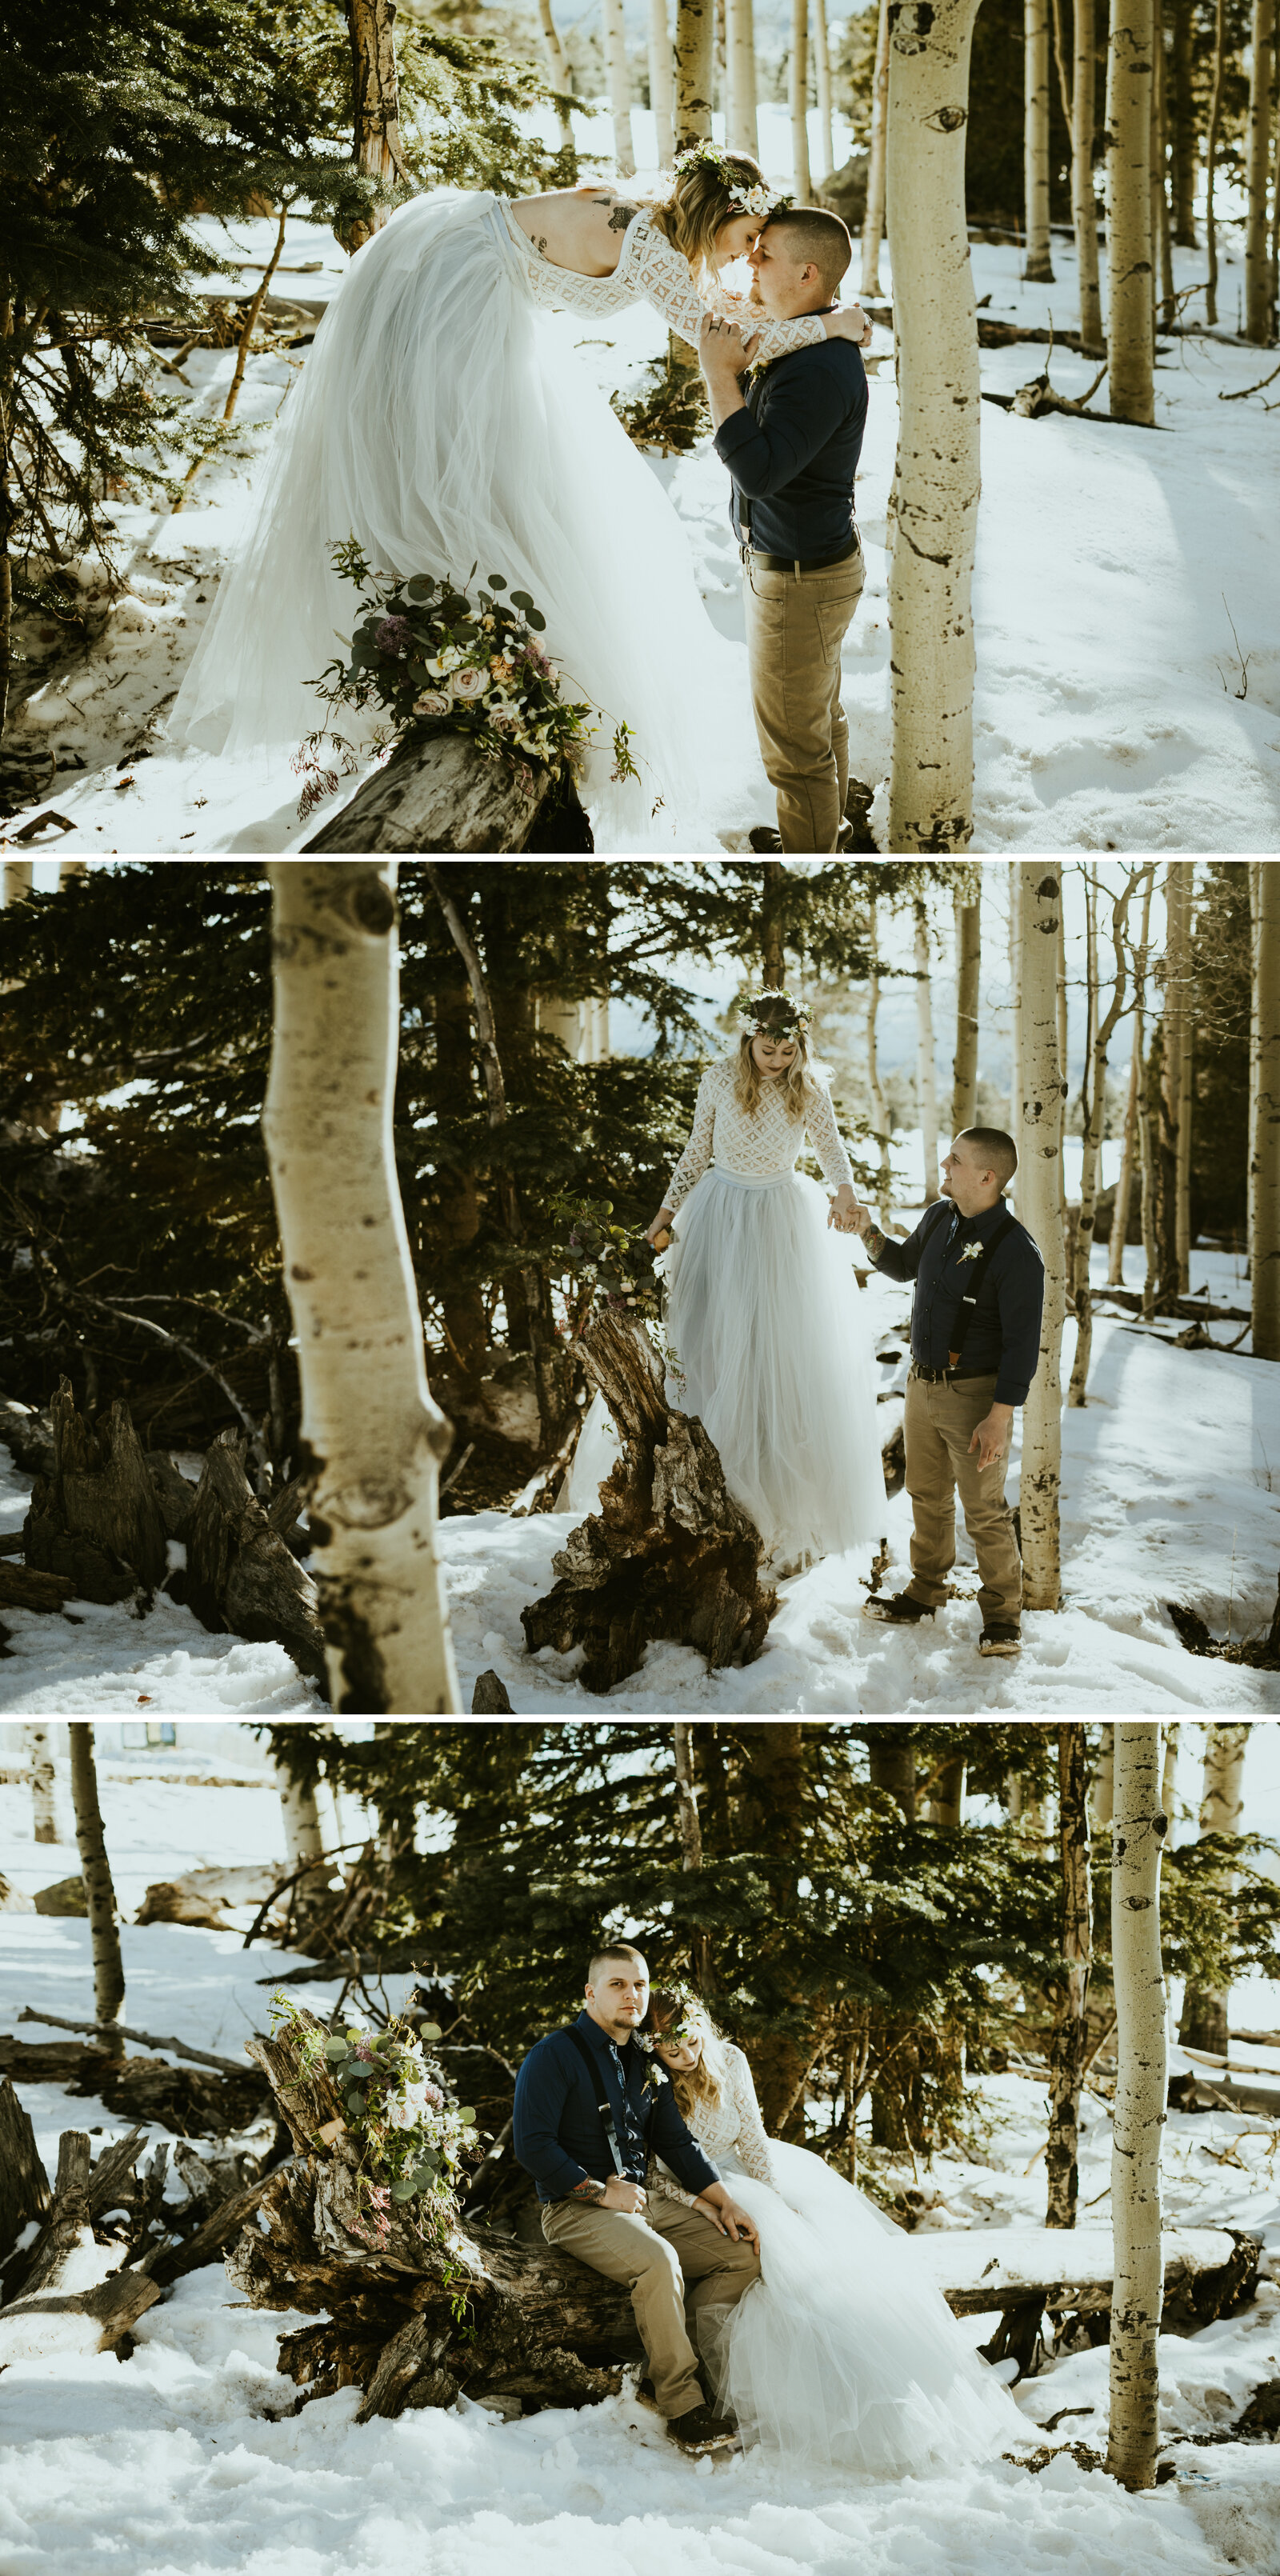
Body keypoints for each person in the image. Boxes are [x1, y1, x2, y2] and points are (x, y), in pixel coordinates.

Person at [170, 146, 870, 850]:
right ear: (720, 214)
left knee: (500, 465)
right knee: (459, 463)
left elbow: (718, 312)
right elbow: (720, 339)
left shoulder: (654, 226)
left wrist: (814, 316)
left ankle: (466, 634)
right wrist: (829, 325)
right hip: (456, 287)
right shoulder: (649, 240)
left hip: (462, 265)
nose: (747, 260)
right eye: (749, 239)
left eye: (762, 250)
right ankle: (446, 632)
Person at [639, 1982, 1026, 2476]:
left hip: (755, 2179)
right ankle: (704, 2385)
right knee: (757, 2261)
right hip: (693, 2190)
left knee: (815, 2255)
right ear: (656, 2049)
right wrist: (707, 2204)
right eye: (674, 2051)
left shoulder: (730, 2059)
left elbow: (754, 2136)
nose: (688, 2056)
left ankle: (880, 2392)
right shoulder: (653, 2085)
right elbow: (654, 2173)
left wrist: (776, 2201)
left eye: (693, 2041)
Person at [642, 986, 884, 1570]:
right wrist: (664, 1217)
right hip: (720, 1213)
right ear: (749, 1037)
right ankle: (706, 1476)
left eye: (786, 1052)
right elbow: (696, 1150)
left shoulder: (809, 1085)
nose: (775, 1062)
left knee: (781, 1348)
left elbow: (831, 1146)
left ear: (799, 1046)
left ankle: (779, 1491)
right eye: (766, 1050)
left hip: (781, 1215)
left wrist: (846, 1194)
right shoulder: (719, 1080)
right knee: (713, 1338)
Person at [512, 1942, 762, 2450]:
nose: (632, 1995)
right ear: (590, 1993)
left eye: (640, 1984)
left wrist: (725, 2200)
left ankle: (657, 2375)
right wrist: (601, 2192)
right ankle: (685, 2409)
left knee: (740, 2255)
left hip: (642, 2204)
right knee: (658, 2261)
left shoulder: (645, 2062)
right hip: (573, 2207)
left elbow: (677, 2142)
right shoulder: (552, 2055)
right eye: (618, 1984)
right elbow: (532, 2146)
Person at [698, 206, 868, 856]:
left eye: (764, 255)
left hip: (800, 581)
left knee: (794, 750)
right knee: (818, 718)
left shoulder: (819, 368)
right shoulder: (805, 335)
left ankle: (809, 857)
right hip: (810, 567)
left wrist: (720, 377)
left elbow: (761, 471)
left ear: (807, 272)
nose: (751, 264)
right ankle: (827, 832)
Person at [840, 1127, 1046, 1658]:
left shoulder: (1018, 1251)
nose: (945, 1164)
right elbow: (905, 1267)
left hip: (976, 1397)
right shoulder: (937, 1216)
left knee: (984, 1510)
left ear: (987, 1176)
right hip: (920, 1385)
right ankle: (925, 1593)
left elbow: (1024, 1346)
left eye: (956, 1159)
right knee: (925, 1496)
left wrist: (1000, 1417)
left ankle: (1003, 1618)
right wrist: (869, 1233)